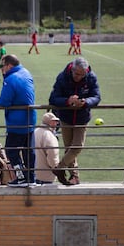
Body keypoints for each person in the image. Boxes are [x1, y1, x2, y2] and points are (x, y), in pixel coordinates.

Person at [49, 57, 101, 185]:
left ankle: (60, 168)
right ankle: (74, 176)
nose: (79, 77)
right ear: (72, 69)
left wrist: (85, 102)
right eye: (77, 74)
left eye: (82, 75)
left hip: (82, 117)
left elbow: (97, 97)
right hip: (66, 117)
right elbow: (53, 98)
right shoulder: (62, 77)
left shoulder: (91, 77)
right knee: (69, 148)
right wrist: (68, 101)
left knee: (77, 146)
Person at [0, 54, 37, 187]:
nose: (2, 69)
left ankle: (20, 178)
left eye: (3, 66)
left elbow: (4, 101)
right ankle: (31, 178)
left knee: (11, 150)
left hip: (17, 121)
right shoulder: (26, 72)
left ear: (9, 65)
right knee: (28, 150)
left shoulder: (11, 79)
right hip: (30, 118)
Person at [34, 112, 60, 184]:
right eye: (55, 122)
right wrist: (56, 170)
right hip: (46, 176)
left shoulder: (35, 132)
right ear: (50, 122)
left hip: (33, 174)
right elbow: (52, 156)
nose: (57, 124)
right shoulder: (49, 135)